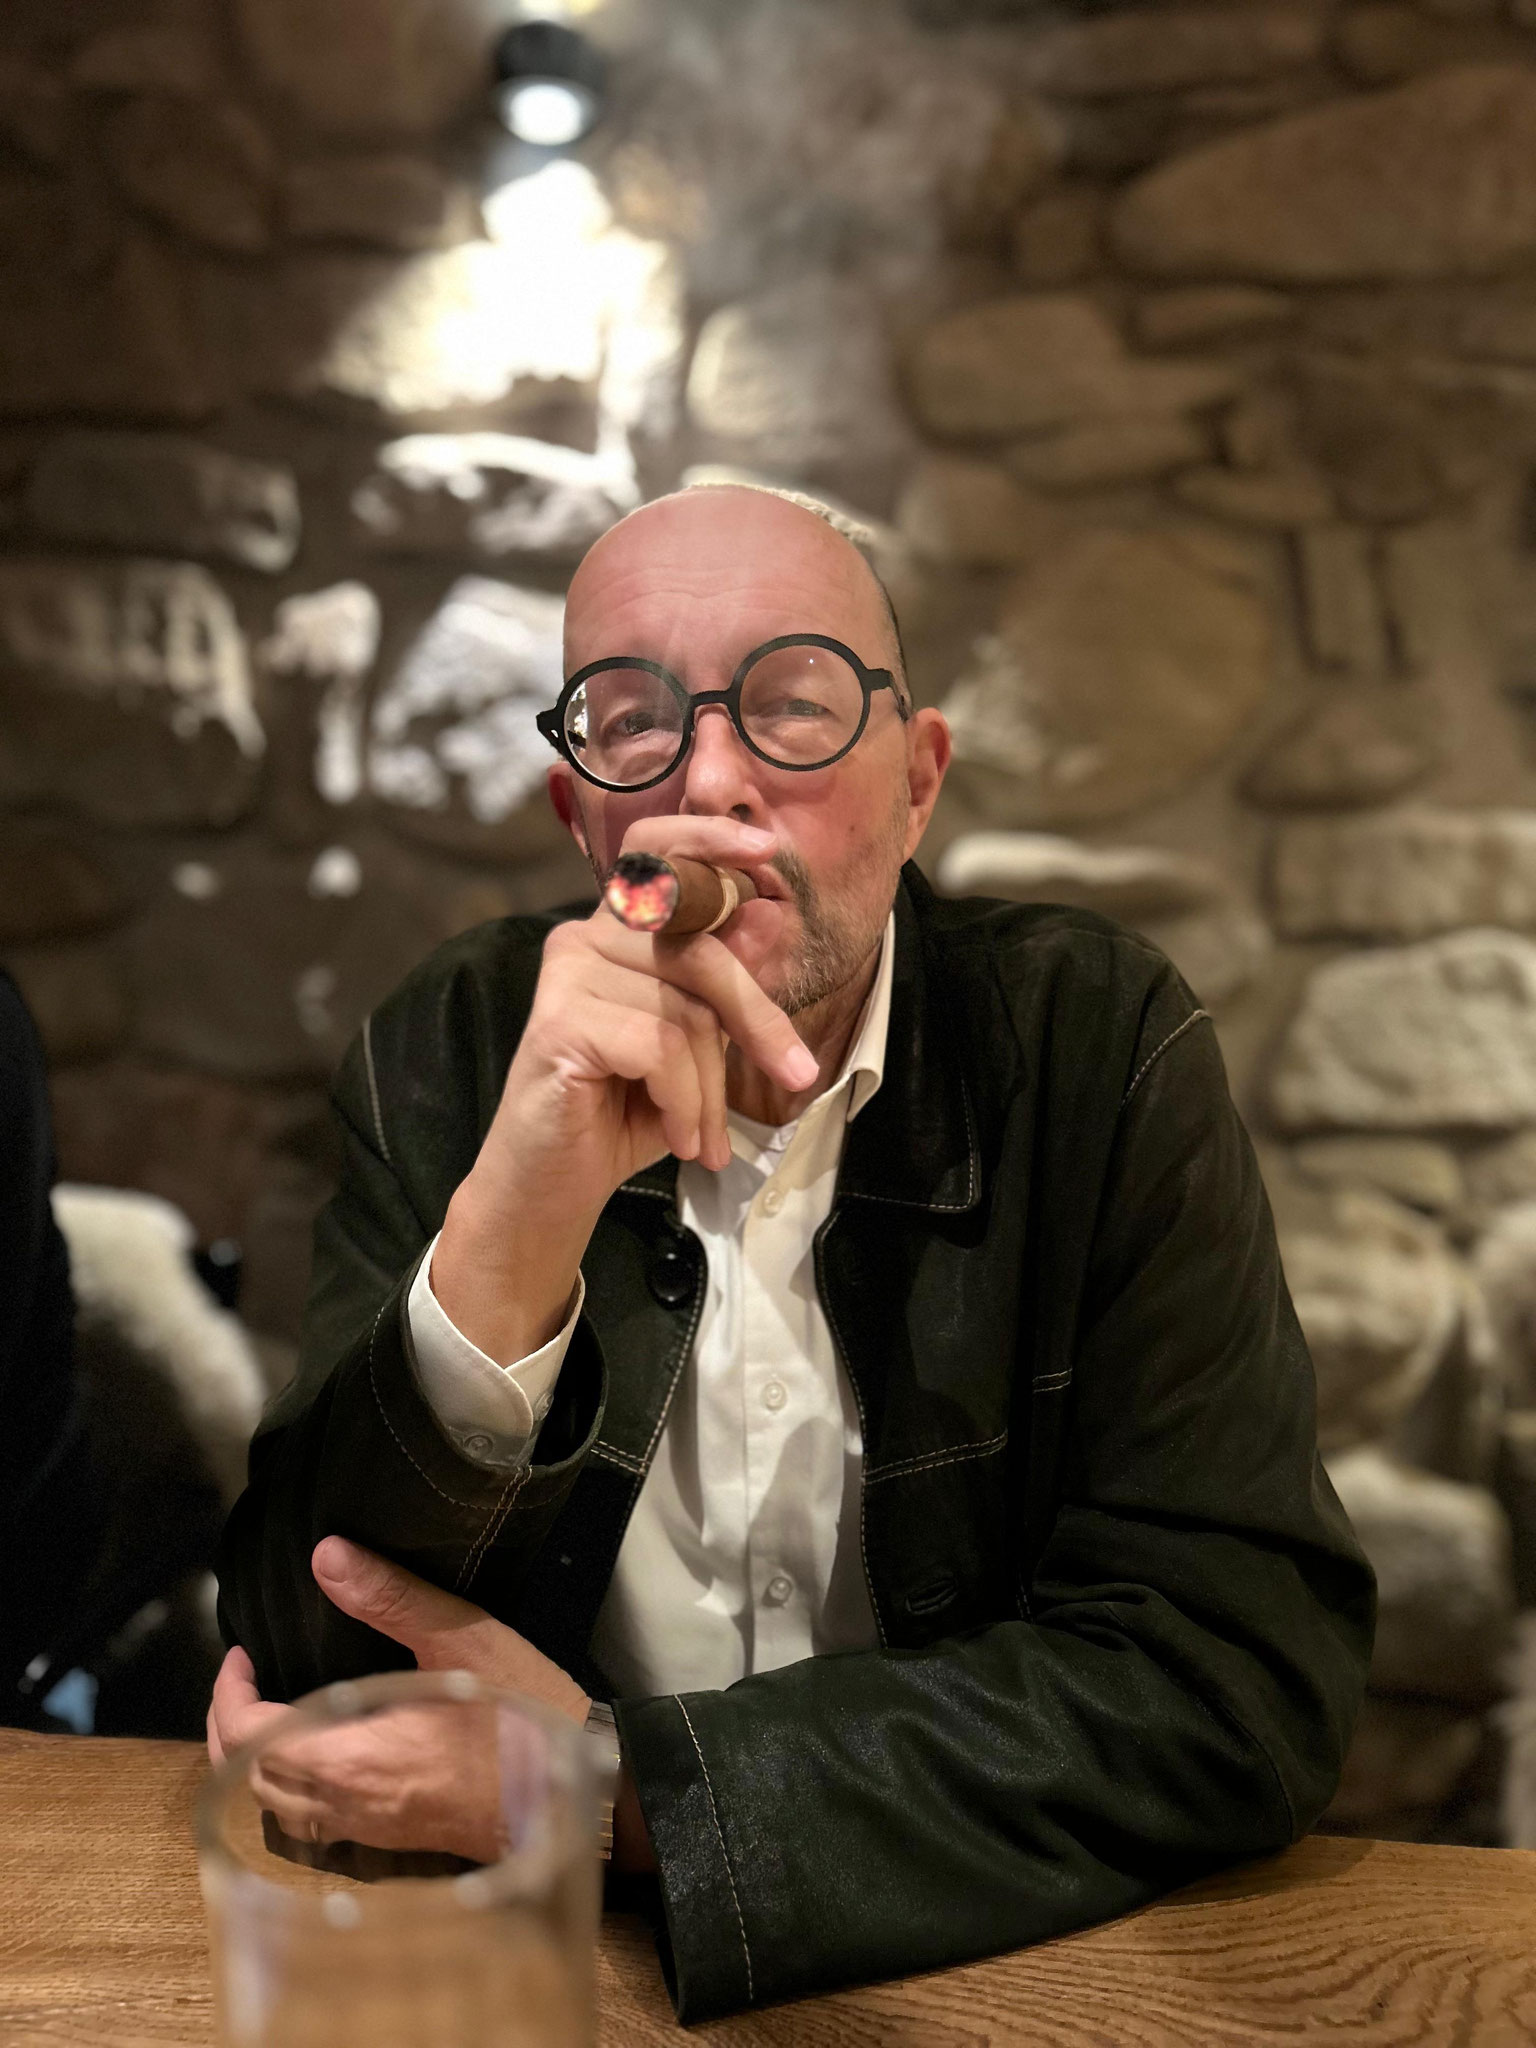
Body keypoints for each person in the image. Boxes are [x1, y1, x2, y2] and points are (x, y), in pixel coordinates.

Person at [212, 485, 1374, 2022]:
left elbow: (1236, 1682)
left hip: (1011, 1985)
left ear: (918, 782)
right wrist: (514, 1227)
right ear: (582, 819)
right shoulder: (453, 1047)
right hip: (545, 1983)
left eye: (795, 706)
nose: (711, 781)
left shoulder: (1093, 1047)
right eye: (634, 721)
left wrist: (614, 1789)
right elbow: (309, 1660)